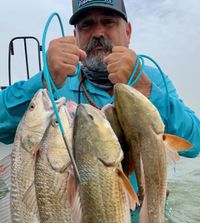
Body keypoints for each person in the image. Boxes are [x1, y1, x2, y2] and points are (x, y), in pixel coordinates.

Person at [0, 0, 200, 181]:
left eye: (108, 21)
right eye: (86, 25)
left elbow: (194, 144)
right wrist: (44, 80)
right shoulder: (53, 82)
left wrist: (143, 87)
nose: (98, 33)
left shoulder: (151, 79)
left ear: (128, 31)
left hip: (142, 217)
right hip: (72, 219)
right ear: (75, 36)